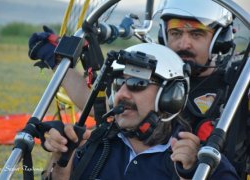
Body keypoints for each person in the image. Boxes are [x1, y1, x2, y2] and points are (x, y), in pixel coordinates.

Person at [28, 0, 249, 178]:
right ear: (164, 35)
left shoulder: (239, 83)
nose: (184, 44)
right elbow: (100, 103)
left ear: (219, 39)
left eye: (196, 34)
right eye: (175, 33)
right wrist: (58, 61)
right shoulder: (153, 72)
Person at [40, 43, 239, 179]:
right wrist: (63, 155)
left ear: (170, 96)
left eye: (137, 83)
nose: (122, 94)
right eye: (119, 83)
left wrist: (192, 175)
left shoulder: (200, 161)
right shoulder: (94, 145)